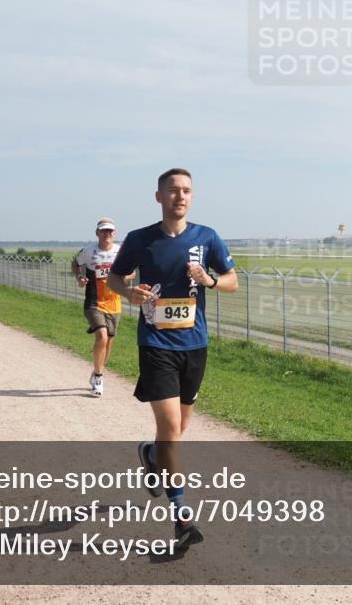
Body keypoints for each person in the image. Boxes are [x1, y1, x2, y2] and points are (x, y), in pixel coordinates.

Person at [107, 168, 238, 551]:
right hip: (155, 344)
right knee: (169, 430)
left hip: (195, 345)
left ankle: (150, 454)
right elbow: (116, 278)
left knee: (175, 432)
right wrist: (128, 292)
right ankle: (182, 517)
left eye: (187, 191)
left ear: (191, 197)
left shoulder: (207, 237)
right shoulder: (139, 239)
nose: (180, 196)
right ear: (159, 196)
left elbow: (232, 280)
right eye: (173, 191)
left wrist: (210, 280)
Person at [70, 218, 134, 397]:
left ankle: (97, 370)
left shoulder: (121, 251)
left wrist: (122, 277)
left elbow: (133, 272)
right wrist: (80, 278)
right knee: (102, 336)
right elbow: (75, 264)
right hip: (94, 302)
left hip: (114, 302)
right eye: (103, 231)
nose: (107, 234)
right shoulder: (88, 251)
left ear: (114, 233)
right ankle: (98, 377)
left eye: (110, 231)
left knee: (109, 344)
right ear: (97, 233)